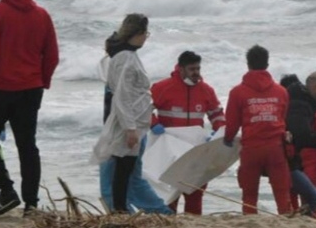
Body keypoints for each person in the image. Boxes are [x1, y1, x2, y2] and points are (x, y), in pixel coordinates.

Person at [0, 0, 59, 217]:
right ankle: (31, 204)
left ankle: (7, 190)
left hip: (1, 88)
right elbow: (52, 56)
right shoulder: (42, 15)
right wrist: (41, 81)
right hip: (31, 89)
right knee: (27, 145)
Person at [150, 51, 226, 215]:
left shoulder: (206, 90)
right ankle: (169, 221)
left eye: (198, 68)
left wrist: (218, 130)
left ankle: (194, 223)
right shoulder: (163, 88)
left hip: (195, 150)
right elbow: (143, 109)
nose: (196, 73)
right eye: (192, 69)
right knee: (170, 192)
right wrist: (153, 124)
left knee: (195, 191)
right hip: (170, 151)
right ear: (181, 69)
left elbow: (217, 113)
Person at [92, 13, 152, 214]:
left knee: (124, 167)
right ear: (137, 33)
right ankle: (120, 209)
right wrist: (130, 128)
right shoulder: (126, 58)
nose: (146, 38)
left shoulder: (124, 55)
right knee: (124, 168)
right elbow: (123, 95)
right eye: (145, 33)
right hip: (128, 120)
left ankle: (120, 208)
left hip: (132, 119)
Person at [98, 60, 172, 215]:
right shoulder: (124, 82)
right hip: (132, 131)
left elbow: (125, 108)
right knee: (133, 180)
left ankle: (125, 213)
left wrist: (130, 129)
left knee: (112, 183)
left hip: (123, 133)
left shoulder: (120, 85)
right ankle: (160, 212)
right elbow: (142, 106)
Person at [224, 45, 292, 215]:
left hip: (251, 148)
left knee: (249, 194)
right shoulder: (281, 91)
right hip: (276, 147)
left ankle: (250, 220)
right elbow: (282, 118)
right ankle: (285, 219)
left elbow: (232, 123)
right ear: (267, 64)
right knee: (282, 192)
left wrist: (227, 138)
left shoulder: (237, 92)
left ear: (248, 64)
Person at [280, 72, 316, 216]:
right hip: (296, 160)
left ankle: (306, 219)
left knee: (305, 199)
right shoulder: (302, 107)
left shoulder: (312, 110)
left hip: (307, 161)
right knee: (298, 198)